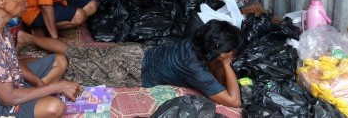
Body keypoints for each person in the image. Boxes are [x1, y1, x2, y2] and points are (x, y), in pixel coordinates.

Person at [17, 19, 244, 108]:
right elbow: (233, 101)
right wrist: (227, 63)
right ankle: (17, 68)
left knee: (76, 51)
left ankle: (27, 39)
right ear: (218, 51)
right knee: (70, 66)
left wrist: (222, 58)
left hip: (135, 52)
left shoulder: (195, 41)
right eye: (228, 51)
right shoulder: (194, 67)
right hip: (131, 69)